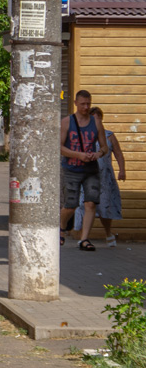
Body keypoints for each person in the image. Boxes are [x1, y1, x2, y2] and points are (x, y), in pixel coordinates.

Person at [59, 90, 104, 251]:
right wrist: (79, 155)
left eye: (88, 104)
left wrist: (97, 154)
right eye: (83, 104)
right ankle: (62, 228)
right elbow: (60, 147)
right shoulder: (67, 122)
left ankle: (84, 239)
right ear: (76, 103)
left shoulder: (96, 122)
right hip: (72, 169)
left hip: (91, 169)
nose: (86, 107)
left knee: (91, 203)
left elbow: (104, 147)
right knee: (71, 205)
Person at [89, 106, 128, 247]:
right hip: (88, 176)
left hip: (105, 176)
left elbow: (118, 153)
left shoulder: (109, 135)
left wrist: (122, 170)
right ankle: (84, 236)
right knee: (87, 205)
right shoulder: (86, 135)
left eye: (98, 117)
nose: (96, 120)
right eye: (93, 118)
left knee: (105, 206)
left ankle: (108, 233)